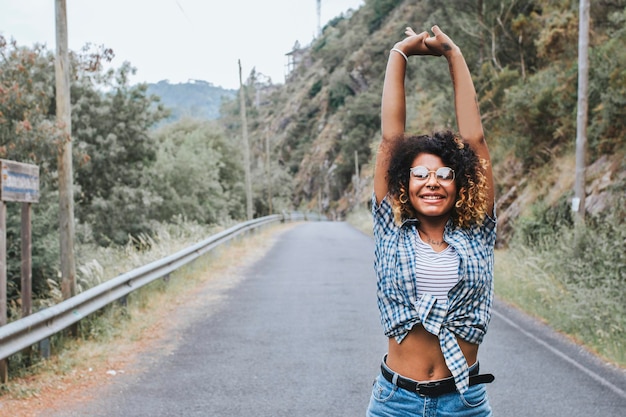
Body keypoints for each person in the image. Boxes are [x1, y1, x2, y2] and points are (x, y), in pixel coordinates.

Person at [367, 25, 497, 416]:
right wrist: (398, 55)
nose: (432, 183)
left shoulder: (477, 231)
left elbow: (475, 142)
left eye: (444, 174)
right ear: (404, 184)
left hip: (464, 402)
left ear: (460, 184)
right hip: (395, 402)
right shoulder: (391, 229)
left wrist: (453, 54)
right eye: (420, 175)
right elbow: (392, 139)